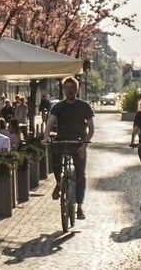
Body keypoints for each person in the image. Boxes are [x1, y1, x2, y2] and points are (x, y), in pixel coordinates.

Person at [43, 77, 95, 220]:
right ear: (64, 90)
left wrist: (85, 145)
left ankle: (80, 206)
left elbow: (91, 127)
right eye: (67, 88)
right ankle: (59, 183)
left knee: (80, 175)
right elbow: (50, 121)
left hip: (78, 142)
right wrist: (46, 137)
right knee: (55, 156)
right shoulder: (58, 106)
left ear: (77, 89)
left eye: (72, 88)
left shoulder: (84, 106)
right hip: (62, 140)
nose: (70, 90)